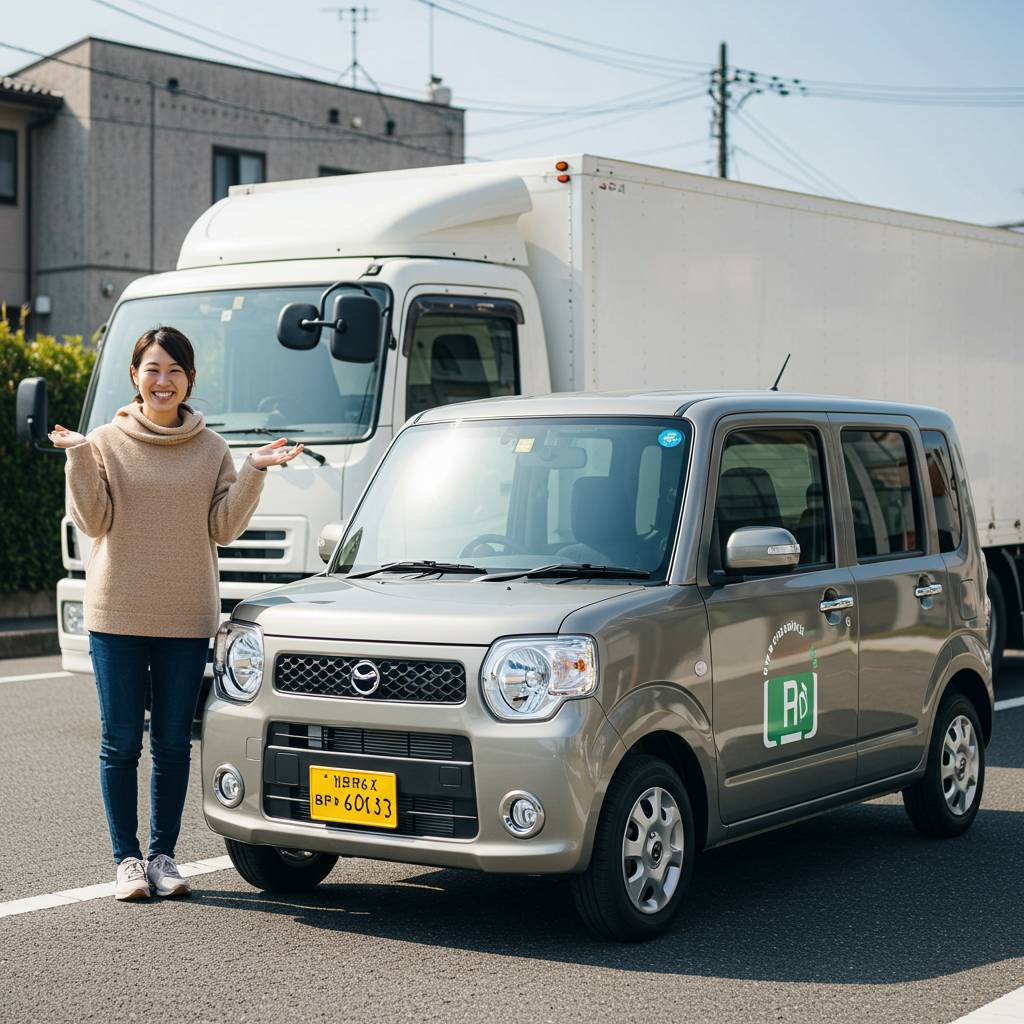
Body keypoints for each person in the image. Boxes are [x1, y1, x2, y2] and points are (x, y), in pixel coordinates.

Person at [48, 325, 303, 901]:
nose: (163, 381)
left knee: (170, 743)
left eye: (175, 371)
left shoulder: (212, 449)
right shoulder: (107, 441)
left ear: (189, 380)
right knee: (120, 743)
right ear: (134, 377)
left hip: (186, 617)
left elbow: (225, 527)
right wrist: (80, 456)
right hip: (116, 614)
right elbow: (92, 521)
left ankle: (163, 856)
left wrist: (256, 468)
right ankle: (127, 860)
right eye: (152, 370)